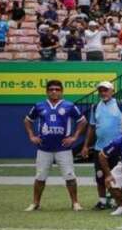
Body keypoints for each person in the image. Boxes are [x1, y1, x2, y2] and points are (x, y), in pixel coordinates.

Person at [23, 80, 86, 211]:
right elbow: (27, 121)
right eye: (51, 89)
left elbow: (82, 121)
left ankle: (75, 203)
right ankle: (35, 203)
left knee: (70, 176)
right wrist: (31, 136)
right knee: (40, 177)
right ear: (47, 91)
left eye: (57, 89)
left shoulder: (69, 105)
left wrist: (74, 136)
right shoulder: (39, 106)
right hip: (44, 148)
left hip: (63, 148)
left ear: (62, 91)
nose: (54, 91)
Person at [80, 81, 122, 210]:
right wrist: (86, 146)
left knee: (119, 176)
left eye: (106, 90)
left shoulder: (121, 104)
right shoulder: (95, 107)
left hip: (119, 148)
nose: (103, 93)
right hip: (100, 148)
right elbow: (92, 127)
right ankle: (102, 201)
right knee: (100, 176)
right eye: (101, 91)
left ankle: (118, 200)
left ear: (112, 91)